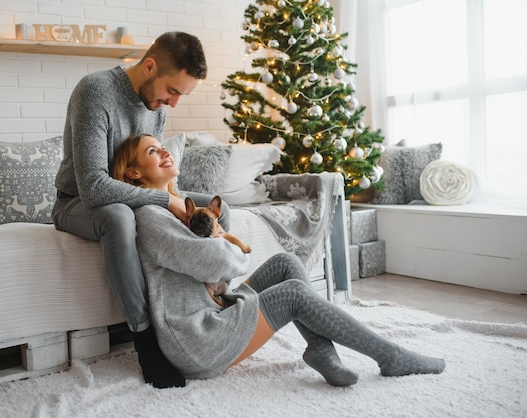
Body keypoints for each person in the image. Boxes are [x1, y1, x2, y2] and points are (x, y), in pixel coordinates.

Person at [112, 133, 446, 386]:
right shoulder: (151, 215)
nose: (165, 151)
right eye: (152, 151)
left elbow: (221, 266)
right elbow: (217, 263)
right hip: (198, 340)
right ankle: (391, 356)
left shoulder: (176, 208)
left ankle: (320, 349)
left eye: (162, 145)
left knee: (286, 263)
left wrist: (223, 250)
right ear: (134, 174)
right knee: (292, 295)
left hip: (215, 310)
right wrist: (226, 247)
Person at [52, 32, 228, 389]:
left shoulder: (156, 107)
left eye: (182, 95)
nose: (174, 104)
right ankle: (146, 339)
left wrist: (175, 198)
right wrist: (167, 201)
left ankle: (210, 305)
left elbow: (153, 179)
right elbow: (94, 187)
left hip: (136, 192)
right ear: (149, 66)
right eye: (173, 91)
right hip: (76, 201)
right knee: (119, 216)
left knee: (216, 207)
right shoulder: (95, 91)